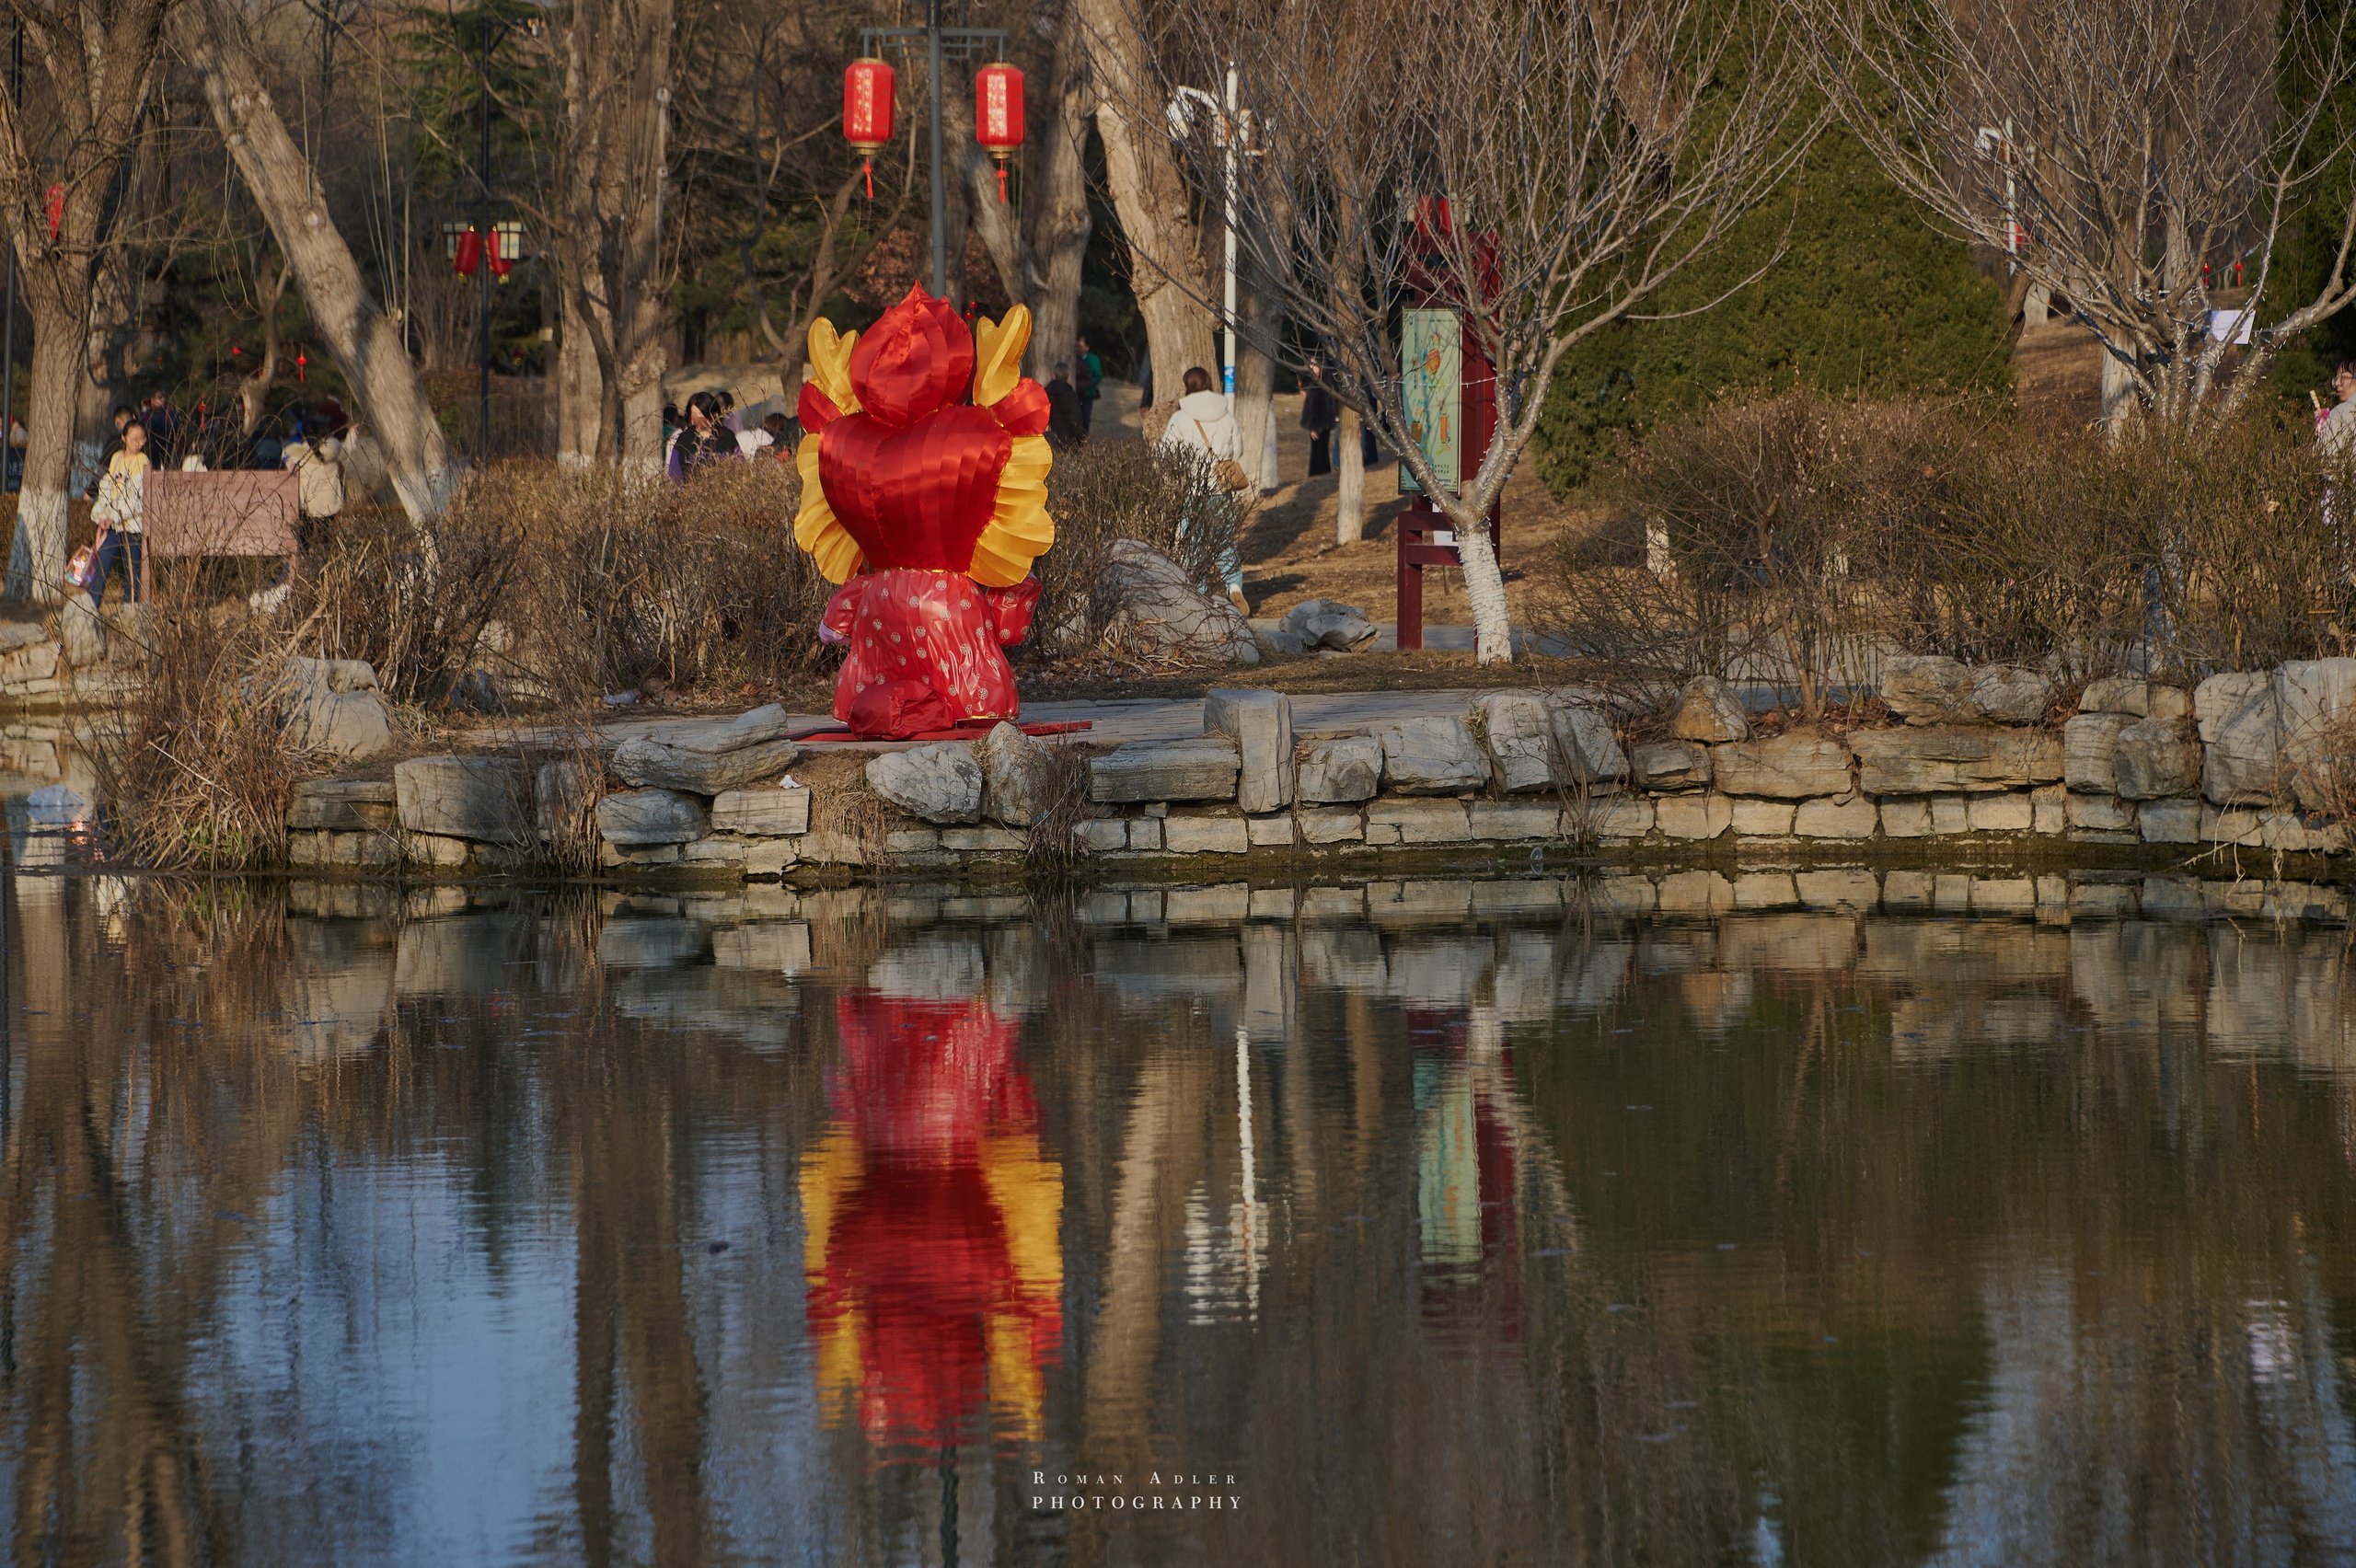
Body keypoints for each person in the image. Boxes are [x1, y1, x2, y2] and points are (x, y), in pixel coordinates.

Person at [1160, 365, 1249, 614]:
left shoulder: (1181, 417)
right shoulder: (1225, 413)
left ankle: (1197, 594)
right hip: (1221, 488)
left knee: (1193, 543)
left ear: (1187, 385)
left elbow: (1165, 452)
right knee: (1225, 541)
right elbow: (1237, 449)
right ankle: (1234, 587)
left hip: (1193, 489)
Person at [87, 420, 150, 611]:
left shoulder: (143, 462)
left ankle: (130, 611)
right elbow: (107, 489)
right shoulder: (116, 458)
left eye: (141, 439)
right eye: (133, 438)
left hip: (133, 527)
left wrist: (114, 515)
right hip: (114, 526)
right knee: (102, 564)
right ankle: (90, 608)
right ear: (123, 438)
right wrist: (103, 515)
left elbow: (139, 501)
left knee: (133, 573)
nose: (137, 442)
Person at [666, 389, 736, 479]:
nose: (698, 418)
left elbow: (739, 463)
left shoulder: (727, 436)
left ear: (713, 414)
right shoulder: (684, 440)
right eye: (694, 414)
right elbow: (675, 472)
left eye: (701, 414)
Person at [1300, 364, 1338, 478]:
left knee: (1319, 451)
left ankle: (1318, 473)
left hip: (1320, 424)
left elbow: (1319, 407)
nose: (1311, 367)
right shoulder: (1319, 382)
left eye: (1313, 364)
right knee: (1321, 450)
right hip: (1322, 423)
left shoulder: (1321, 384)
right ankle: (1321, 472)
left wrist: (1315, 427)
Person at [1045, 363, 1085, 445]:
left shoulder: (1044, 393)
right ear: (1069, 376)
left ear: (1054, 375)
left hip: (1048, 440)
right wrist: (1080, 439)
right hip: (1068, 440)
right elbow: (1076, 419)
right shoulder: (1071, 395)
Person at [1075, 335, 1103, 434]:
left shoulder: (1094, 360)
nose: (1078, 349)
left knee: (1086, 417)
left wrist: (1088, 385)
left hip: (1088, 393)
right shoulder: (1073, 357)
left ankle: (1084, 437)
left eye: (1081, 346)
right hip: (1075, 393)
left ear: (1087, 347)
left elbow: (1098, 376)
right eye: (1077, 346)